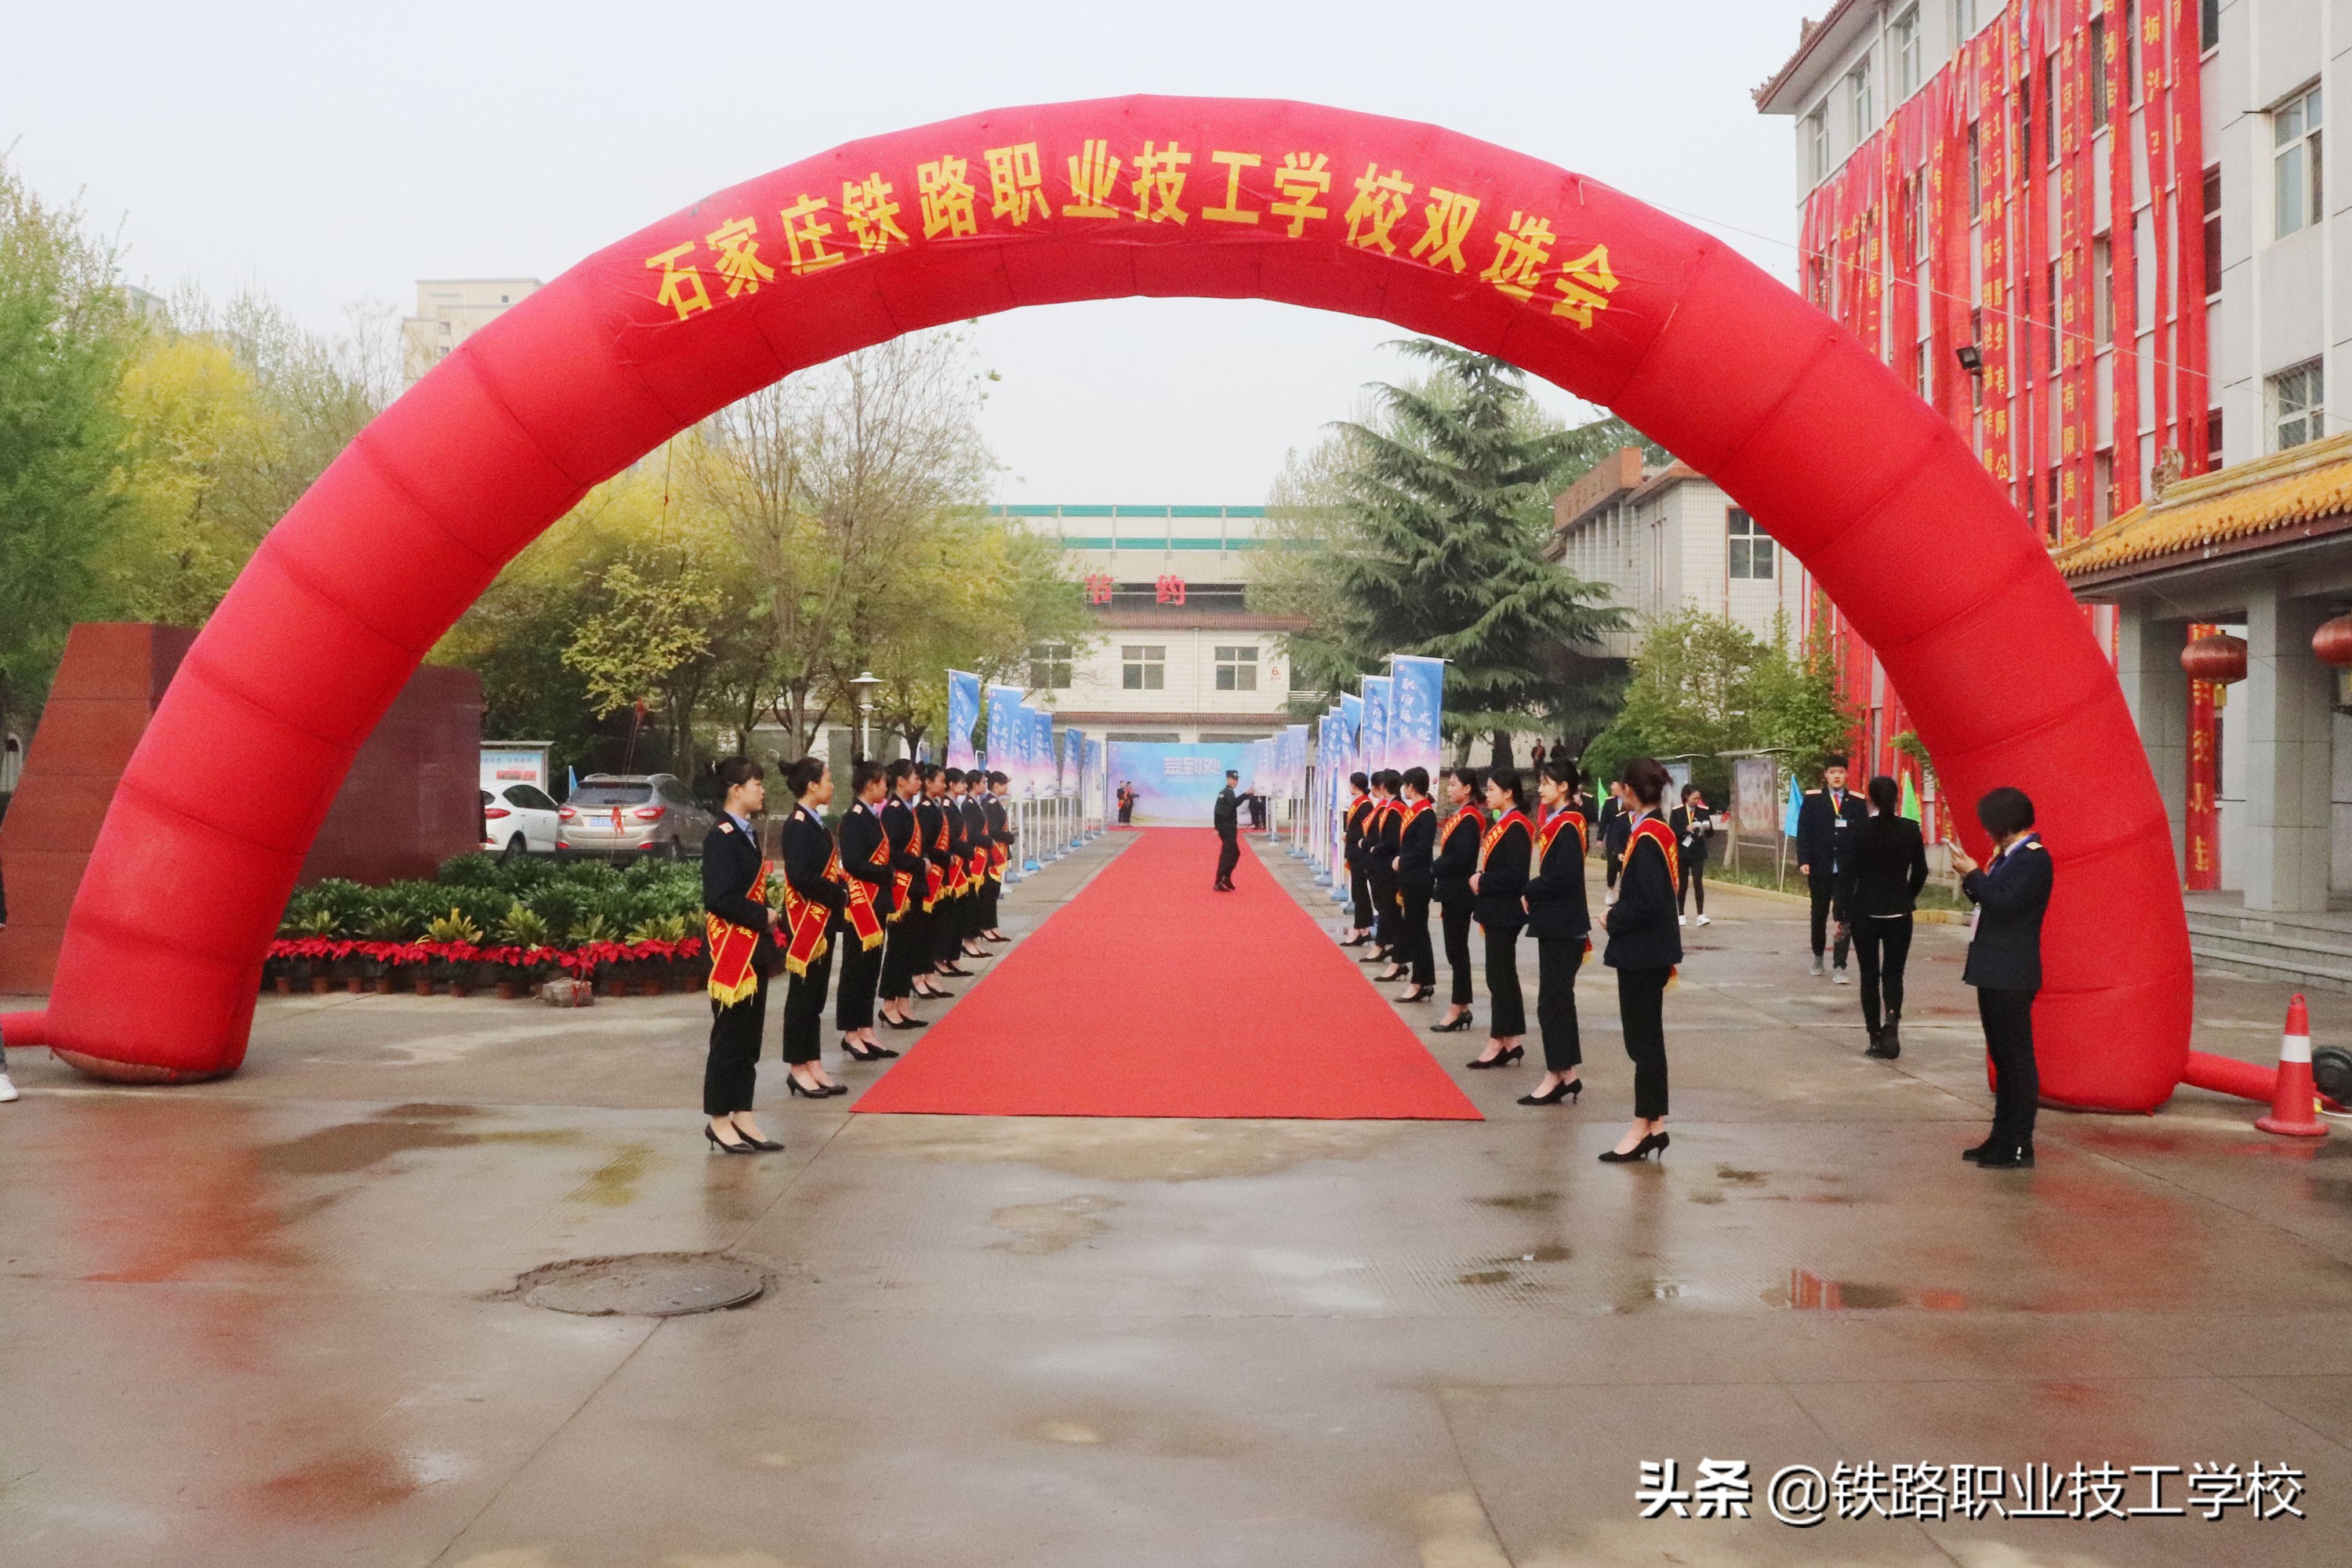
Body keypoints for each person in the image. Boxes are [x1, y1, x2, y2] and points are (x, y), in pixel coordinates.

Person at [1950, 787, 2052, 1168]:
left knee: (2017, 1060)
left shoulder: (2033, 859)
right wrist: (1973, 875)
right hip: (1993, 969)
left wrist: (1974, 872)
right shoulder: (2009, 858)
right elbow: (1987, 899)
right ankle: (2000, 1136)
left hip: (2011, 971)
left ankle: (2020, 1142)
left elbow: (2003, 904)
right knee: (2002, 1058)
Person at [699, 757, 785, 1152]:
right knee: (729, 1038)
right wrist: (762, 914)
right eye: (756, 784)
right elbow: (718, 898)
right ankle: (719, 1118)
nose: (762, 790)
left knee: (750, 1038)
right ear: (736, 789)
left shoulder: (746, 833)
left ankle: (743, 1113)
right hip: (732, 949)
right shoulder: (721, 835)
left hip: (753, 948)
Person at [1601, 757, 1682, 1162]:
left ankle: (1642, 1125)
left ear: (1631, 790)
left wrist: (1611, 916)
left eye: (1621, 785)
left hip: (1642, 951)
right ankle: (1655, 1125)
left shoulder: (1648, 837)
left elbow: (1648, 903)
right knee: (1649, 1040)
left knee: (1643, 1043)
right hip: (1649, 951)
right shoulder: (1658, 831)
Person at [1838, 775, 1929, 1059]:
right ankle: (1892, 1018)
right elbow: (1921, 872)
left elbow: (1847, 876)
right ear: (1897, 797)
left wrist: (1841, 912)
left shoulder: (1858, 831)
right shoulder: (1910, 830)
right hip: (1900, 913)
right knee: (1894, 972)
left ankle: (1875, 1037)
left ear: (1870, 799)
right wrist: (1907, 895)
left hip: (1865, 911)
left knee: (1869, 975)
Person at [1519, 759, 1590, 1106]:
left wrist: (1531, 889)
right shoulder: (1563, 822)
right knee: (1556, 1001)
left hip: (1564, 925)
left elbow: (1563, 877)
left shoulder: (1568, 824)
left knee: (1554, 1002)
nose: (1541, 788)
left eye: (1546, 782)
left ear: (1564, 786)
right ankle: (1566, 1075)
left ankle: (1556, 1074)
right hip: (1558, 924)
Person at [778, 757, 848, 1098]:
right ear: (812, 785)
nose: (832, 786)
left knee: (816, 996)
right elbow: (802, 877)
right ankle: (797, 1065)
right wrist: (839, 893)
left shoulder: (814, 822)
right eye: (828, 780)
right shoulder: (797, 825)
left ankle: (814, 1061)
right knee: (802, 997)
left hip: (822, 919)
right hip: (806, 921)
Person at [1466, 768, 1534, 1069]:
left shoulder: (1516, 826)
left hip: (1505, 910)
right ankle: (1511, 1040)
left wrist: (1483, 880)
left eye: (1492, 789)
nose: (1488, 793)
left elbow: (1515, 875)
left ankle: (1499, 1040)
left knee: (1500, 975)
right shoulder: (1505, 822)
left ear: (1508, 793)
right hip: (1497, 909)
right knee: (1501, 975)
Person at [831, 760, 896, 1062]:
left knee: (871, 969)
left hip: (877, 903)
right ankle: (850, 1032)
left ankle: (866, 1027)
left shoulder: (873, 816)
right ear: (870, 784)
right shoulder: (854, 818)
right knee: (855, 970)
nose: (886, 788)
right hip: (861, 906)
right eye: (883, 783)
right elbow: (855, 863)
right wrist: (885, 874)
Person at [1796, 754, 1868, 982]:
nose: (1837, 776)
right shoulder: (1813, 800)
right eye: (1832, 772)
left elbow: (1863, 835)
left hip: (1846, 870)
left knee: (1844, 915)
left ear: (1846, 775)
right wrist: (1804, 860)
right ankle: (1818, 957)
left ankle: (1840, 965)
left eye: (1840, 772)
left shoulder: (1856, 802)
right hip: (1819, 866)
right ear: (1825, 775)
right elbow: (1804, 832)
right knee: (1819, 913)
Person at [1429, 767, 1484, 1033]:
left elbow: (1461, 857)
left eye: (1453, 784)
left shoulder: (1470, 818)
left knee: (1457, 951)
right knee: (1455, 951)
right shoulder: (1461, 815)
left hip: (1459, 892)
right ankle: (1462, 1006)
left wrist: (1435, 867)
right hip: (1452, 890)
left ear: (1468, 789)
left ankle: (1457, 1006)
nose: (1449, 788)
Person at [877, 760, 930, 1032]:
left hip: (915, 887)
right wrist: (919, 864)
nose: (919, 783)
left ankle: (903, 999)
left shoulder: (909, 810)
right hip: (901, 889)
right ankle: (889, 1003)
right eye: (915, 778)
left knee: (910, 947)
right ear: (900, 781)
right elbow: (893, 853)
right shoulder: (894, 812)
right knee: (897, 949)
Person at [1391, 767, 1438, 1001]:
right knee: (1417, 930)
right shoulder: (1415, 811)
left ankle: (1420, 981)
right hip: (1410, 877)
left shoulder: (1426, 813)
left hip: (1418, 878)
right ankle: (1423, 980)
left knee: (1417, 931)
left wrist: (1402, 859)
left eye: (1405, 785)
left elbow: (1422, 849)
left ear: (1411, 786)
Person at [911, 764, 957, 1000]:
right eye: (940, 780)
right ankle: (919, 974)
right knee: (923, 930)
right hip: (929, 876)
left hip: (939, 877)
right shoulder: (925, 810)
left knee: (934, 929)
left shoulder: (936, 807)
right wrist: (946, 858)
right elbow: (926, 847)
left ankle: (929, 973)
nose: (943, 783)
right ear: (929, 783)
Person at [934, 768, 975, 977]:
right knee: (948, 917)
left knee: (959, 915)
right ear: (951, 784)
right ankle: (941, 958)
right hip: (952, 866)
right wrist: (965, 850)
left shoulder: (955, 806)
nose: (965, 787)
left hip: (962, 867)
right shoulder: (946, 807)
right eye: (961, 783)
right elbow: (948, 839)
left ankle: (953, 956)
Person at [1371, 773, 1410, 981]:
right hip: (1383, 864)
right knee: (1385, 906)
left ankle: (1385, 944)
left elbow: (1392, 840)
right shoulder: (1390, 806)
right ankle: (1390, 946)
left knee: (1389, 908)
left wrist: (1374, 847)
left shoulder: (1397, 808)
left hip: (1389, 866)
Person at [956, 771, 993, 960]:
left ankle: (973, 939)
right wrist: (987, 841)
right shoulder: (968, 806)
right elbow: (971, 833)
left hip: (980, 856)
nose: (985, 785)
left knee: (976, 899)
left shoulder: (976, 803)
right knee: (971, 901)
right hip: (973, 856)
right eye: (983, 782)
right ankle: (968, 940)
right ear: (974, 785)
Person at [1670, 785, 1716, 927]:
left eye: (1698, 798)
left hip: (1697, 850)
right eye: (1694, 798)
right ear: (1686, 797)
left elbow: (1711, 832)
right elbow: (1672, 831)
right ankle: (1681, 913)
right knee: (1683, 883)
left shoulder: (1702, 811)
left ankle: (1700, 914)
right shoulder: (1677, 812)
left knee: (1698, 881)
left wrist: (1705, 829)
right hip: (1683, 851)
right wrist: (1686, 829)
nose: (1696, 801)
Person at [1341, 773, 1376, 946]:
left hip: (1360, 853)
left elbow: (1365, 831)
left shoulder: (1365, 805)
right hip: (1355, 852)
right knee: (1358, 892)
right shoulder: (1359, 802)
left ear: (1354, 784)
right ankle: (1363, 928)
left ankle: (1360, 928)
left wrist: (1348, 835)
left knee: (1360, 892)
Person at [981, 771, 1016, 942]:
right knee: (989, 891)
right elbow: (993, 830)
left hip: (999, 853)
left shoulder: (995, 803)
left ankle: (992, 925)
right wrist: (1008, 836)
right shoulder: (990, 804)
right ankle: (986, 925)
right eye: (1004, 784)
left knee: (994, 890)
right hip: (991, 854)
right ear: (996, 785)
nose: (1006, 787)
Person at [1599, 781, 1631, 904]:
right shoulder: (1609, 802)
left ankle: (1623, 891)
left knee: (1625, 866)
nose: (1611, 788)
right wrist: (1600, 838)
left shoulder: (1630, 801)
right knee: (1612, 865)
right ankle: (1610, 889)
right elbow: (1604, 821)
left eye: (1614, 785)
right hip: (1613, 838)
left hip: (1627, 838)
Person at [1212, 769, 1243, 890]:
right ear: (1228, 779)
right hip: (1227, 828)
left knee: (1234, 853)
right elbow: (1234, 804)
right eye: (1233, 779)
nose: (1235, 782)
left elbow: (1217, 811)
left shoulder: (1227, 792)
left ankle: (1226, 877)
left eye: (1236, 779)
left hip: (1227, 828)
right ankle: (1219, 880)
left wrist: (1217, 826)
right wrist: (1246, 794)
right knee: (1227, 854)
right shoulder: (1227, 793)